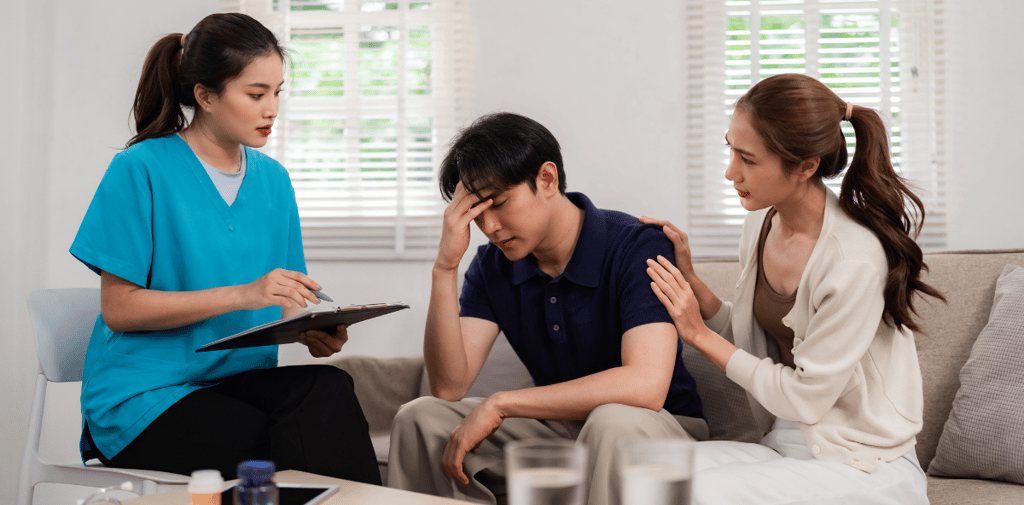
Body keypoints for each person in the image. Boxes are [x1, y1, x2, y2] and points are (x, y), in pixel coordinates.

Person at [69, 13, 380, 484]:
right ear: (206, 96)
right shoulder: (141, 168)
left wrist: (315, 328)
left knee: (328, 389)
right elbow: (119, 309)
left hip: (233, 381)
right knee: (283, 443)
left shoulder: (274, 180)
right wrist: (243, 294)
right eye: (256, 94)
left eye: (278, 93)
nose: (271, 109)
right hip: (146, 397)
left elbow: (280, 296)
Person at [642, 73, 945, 504]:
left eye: (748, 159)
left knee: (694, 493)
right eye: (730, 149)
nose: (731, 172)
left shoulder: (853, 260)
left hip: (861, 462)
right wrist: (694, 288)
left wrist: (698, 335)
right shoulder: (760, 222)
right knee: (645, 471)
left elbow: (805, 398)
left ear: (805, 167)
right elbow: (753, 337)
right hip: (786, 444)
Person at [387, 112, 704, 505]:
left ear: (547, 179)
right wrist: (445, 267)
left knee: (611, 420)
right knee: (420, 418)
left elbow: (646, 385)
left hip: (655, 424)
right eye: (476, 212)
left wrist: (502, 403)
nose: (489, 226)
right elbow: (449, 386)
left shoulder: (637, 245)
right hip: (560, 427)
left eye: (499, 203)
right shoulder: (492, 266)